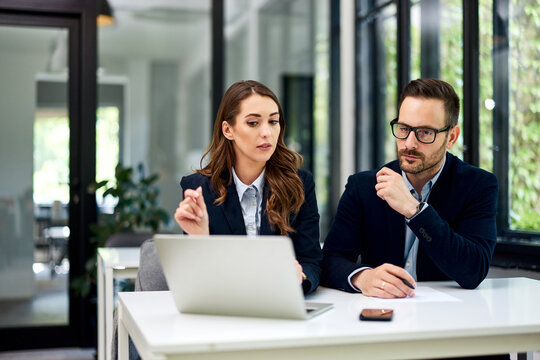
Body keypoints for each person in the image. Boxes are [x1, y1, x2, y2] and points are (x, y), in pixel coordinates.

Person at [322, 78, 499, 298]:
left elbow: (473, 271)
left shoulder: (478, 185)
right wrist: (363, 277)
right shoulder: (363, 186)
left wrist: (415, 211)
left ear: (451, 137)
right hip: (381, 314)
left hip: (449, 316)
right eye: (404, 128)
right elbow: (330, 260)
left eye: (425, 132)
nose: (409, 143)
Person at [174, 80, 322, 294]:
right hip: (222, 308)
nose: (267, 133)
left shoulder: (299, 184)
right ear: (228, 130)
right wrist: (201, 239)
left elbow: (312, 261)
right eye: (253, 123)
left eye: (273, 121)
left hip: (280, 305)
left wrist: (300, 276)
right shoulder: (199, 189)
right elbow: (195, 278)